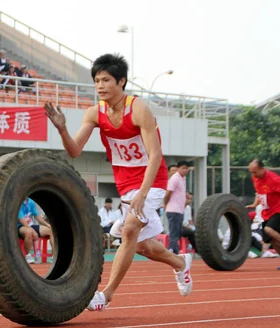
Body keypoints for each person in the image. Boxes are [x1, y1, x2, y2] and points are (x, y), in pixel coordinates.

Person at [44, 53, 193, 311]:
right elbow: (74, 151)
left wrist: (143, 194)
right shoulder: (94, 113)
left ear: (121, 81)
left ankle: (106, 295)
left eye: (106, 80)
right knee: (142, 245)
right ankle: (181, 264)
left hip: (152, 180)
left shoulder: (138, 109)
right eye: (96, 81)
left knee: (130, 229)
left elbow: (155, 155)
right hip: (126, 185)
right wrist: (62, 130)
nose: (100, 86)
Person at [164, 160, 190, 254]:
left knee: (178, 231)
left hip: (180, 210)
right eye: (183, 168)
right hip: (173, 209)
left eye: (187, 168)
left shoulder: (183, 179)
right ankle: (172, 249)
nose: (185, 170)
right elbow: (168, 193)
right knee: (174, 230)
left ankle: (175, 248)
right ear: (179, 168)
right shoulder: (174, 179)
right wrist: (165, 203)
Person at [18, 198, 54, 264]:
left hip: (30, 226)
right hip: (20, 226)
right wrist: (32, 230)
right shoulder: (18, 202)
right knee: (29, 232)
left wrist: (48, 225)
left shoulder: (31, 202)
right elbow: (21, 220)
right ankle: (28, 256)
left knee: (51, 231)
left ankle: (53, 256)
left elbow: (37, 216)